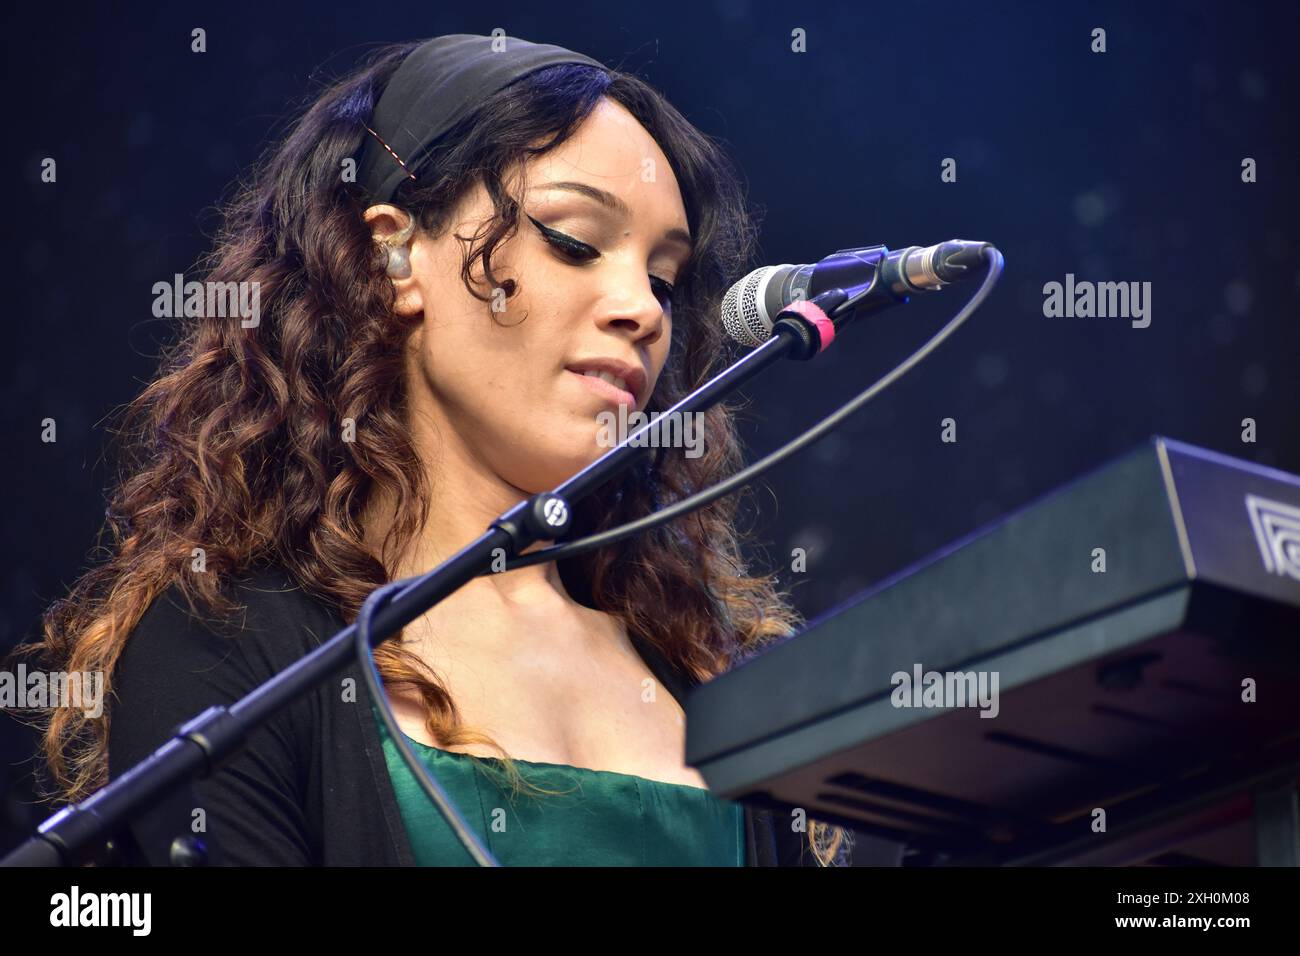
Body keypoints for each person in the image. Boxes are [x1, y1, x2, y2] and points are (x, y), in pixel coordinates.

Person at [17, 34, 852, 866]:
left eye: (665, 278)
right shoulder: (230, 643)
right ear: (396, 252)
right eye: (572, 239)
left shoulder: (699, 669)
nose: (644, 309)